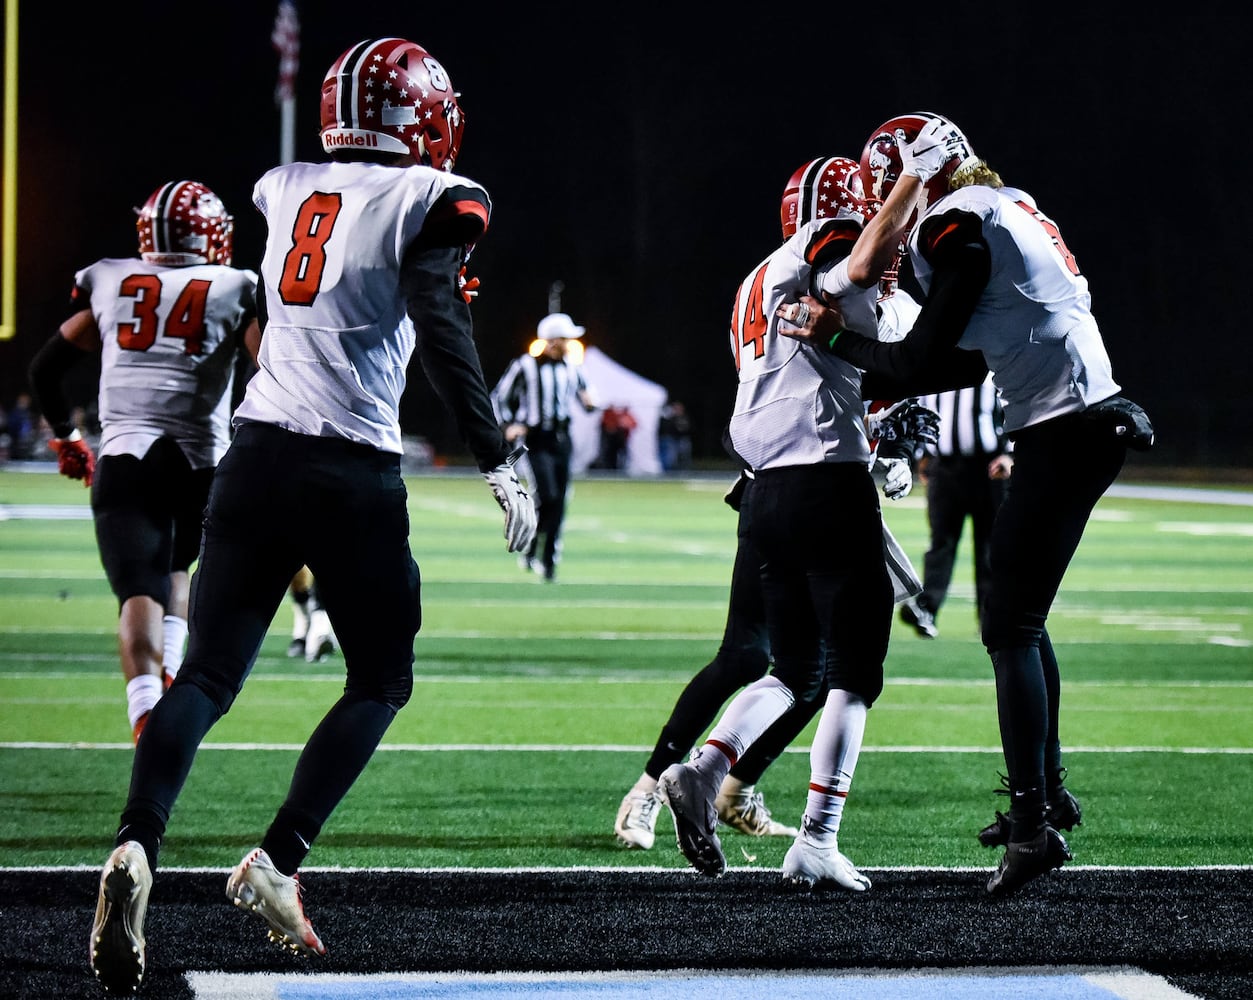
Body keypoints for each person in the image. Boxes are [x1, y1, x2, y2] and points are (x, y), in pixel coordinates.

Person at [89, 37, 537, 996]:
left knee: (204, 675)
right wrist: (497, 455)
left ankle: (136, 844)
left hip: (252, 456)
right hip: (349, 469)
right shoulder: (436, 197)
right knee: (380, 679)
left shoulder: (282, 183)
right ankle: (276, 863)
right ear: (421, 111)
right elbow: (440, 322)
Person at [774, 113, 1154, 896]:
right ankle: (1045, 796)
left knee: (1007, 625)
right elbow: (958, 363)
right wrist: (865, 369)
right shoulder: (1004, 205)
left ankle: (1029, 828)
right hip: (1080, 417)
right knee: (1022, 617)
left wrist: (832, 338)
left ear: (912, 179)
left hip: (1063, 427)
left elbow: (917, 358)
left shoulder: (954, 223)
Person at [654, 157, 935, 891]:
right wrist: (914, 182)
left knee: (795, 669)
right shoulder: (832, 243)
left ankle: (707, 768)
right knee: (854, 676)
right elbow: (863, 268)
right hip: (824, 483)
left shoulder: (757, 278)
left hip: (762, 490)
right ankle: (817, 838)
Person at [26, 180, 260, 745]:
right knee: (179, 569)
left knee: (139, 589)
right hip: (202, 463)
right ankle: (170, 679)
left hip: (125, 457)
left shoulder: (110, 278)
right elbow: (270, 367)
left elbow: (44, 371)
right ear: (208, 233)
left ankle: (145, 714)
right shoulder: (236, 286)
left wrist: (66, 439)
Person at [899, 373, 1012, 639]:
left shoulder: (993, 373)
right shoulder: (935, 374)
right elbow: (923, 415)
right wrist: (923, 456)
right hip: (945, 467)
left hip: (989, 469)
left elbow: (1014, 409)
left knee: (989, 545)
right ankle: (927, 610)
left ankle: (990, 618)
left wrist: (1009, 453)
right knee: (941, 541)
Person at [491, 312, 598, 581]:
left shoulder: (572, 367)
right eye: (565, 338)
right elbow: (500, 398)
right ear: (552, 340)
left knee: (560, 501)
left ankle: (548, 560)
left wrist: (591, 402)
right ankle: (531, 545)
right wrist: (509, 425)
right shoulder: (525, 366)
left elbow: (587, 395)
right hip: (534, 441)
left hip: (561, 440)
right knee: (547, 496)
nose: (570, 343)